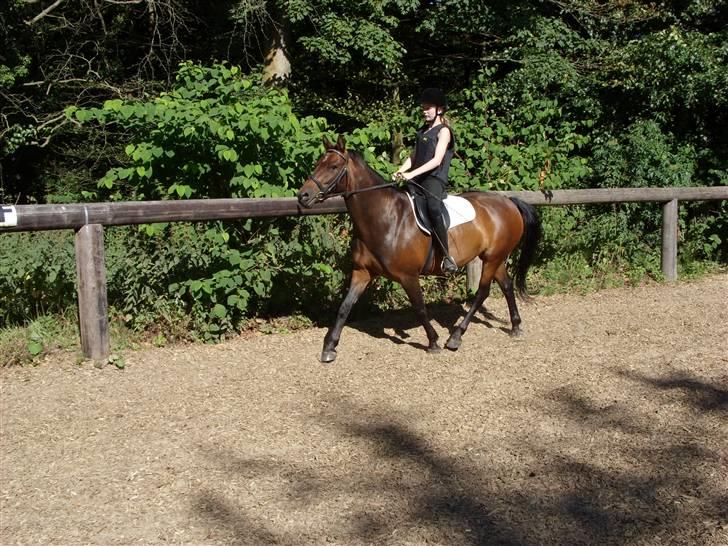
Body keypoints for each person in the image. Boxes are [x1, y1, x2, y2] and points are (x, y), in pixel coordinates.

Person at [392, 87, 458, 273]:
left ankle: (446, 256)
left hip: (434, 179)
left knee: (434, 207)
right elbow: (414, 156)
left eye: (428, 108)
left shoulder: (444, 131)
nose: (424, 111)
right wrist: (400, 171)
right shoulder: (422, 131)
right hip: (417, 179)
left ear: (439, 109)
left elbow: (437, 160)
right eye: (423, 108)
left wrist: (411, 174)